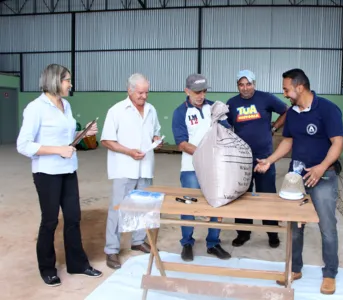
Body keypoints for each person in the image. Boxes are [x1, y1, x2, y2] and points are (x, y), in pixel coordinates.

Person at [254, 68, 343, 295]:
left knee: (327, 227)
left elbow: (337, 143)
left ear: (300, 87)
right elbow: (287, 142)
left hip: (323, 176)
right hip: (297, 178)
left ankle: (330, 273)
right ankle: (295, 268)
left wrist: (322, 167)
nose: (284, 93)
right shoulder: (293, 113)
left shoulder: (327, 109)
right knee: (294, 226)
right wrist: (269, 160)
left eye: (286, 89)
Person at [16, 64, 103, 287]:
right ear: (55, 80)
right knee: (50, 221)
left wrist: (83, 133)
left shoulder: (66, 105)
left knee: (73, 218)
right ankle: (47, 268)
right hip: (47, 173)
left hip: (68, 170)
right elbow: (23, 145)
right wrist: (57, 150)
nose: (70, 84)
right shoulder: (36, 108)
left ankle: (77, 264)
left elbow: (64, 135)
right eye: (67, 80)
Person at [101, 73, 162, 269]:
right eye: (140, 92)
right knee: (118, 209)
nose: (144, 96)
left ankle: (138, 240)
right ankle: (111, 250)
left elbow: (156, 132)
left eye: (147, 92)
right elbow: (106, 140)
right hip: (124, 168)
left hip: (145, 167)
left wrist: (156, 141)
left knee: (144, 206)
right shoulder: (116, 110)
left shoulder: (151, 110)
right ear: (129, 90)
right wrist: (128, 151)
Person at [172, 74, 231, 262]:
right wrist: (204, 154)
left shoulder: (214, 108)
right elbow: (182, 143)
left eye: (204, 91)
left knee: (217, 203)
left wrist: (224, 120)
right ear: (187, 91)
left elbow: (226, 131)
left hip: (216, 167)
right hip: (191, 167)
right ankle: (187, 242)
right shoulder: (180, 112)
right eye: (197, 92)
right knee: (189, 204)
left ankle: (213, 243)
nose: (201, 95)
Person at [226, 70, 288, 248]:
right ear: (238, 85)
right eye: (241, 84)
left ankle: (272, 233)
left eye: (248, 84)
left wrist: (275, 127)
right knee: (242, 196)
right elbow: (227, 124)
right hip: (242, 159)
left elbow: (286, 111)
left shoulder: (266, 98)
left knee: (267, 197)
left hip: (265, 158)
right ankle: (243, 232)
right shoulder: (232, 103)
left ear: (254, 83)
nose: (245, 88)